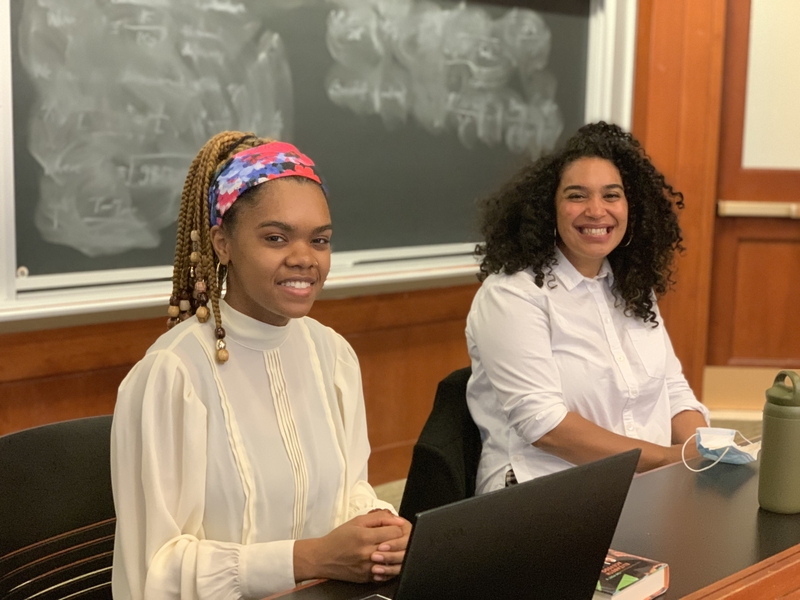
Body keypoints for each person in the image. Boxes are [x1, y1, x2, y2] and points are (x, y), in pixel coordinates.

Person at [110, 132, 411, 599]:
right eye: (275, 237)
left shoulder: (331, 355)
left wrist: (378, 530)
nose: (304, 259)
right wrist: (306, 557)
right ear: (222, 243)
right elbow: (156, 573)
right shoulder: (174, 375)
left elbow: (348, 491)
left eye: (320, 240)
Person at [466, 121, 709, 494]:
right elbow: (545, 426)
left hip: (648, 486)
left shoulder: (631, 286)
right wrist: (666, 459)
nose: (597, 211)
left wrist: (705, 453)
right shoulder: (512, 295)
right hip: (545, 491)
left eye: (611, 195)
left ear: (632, 206)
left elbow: (673, 390)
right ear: (550, 208)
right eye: (577, 196)